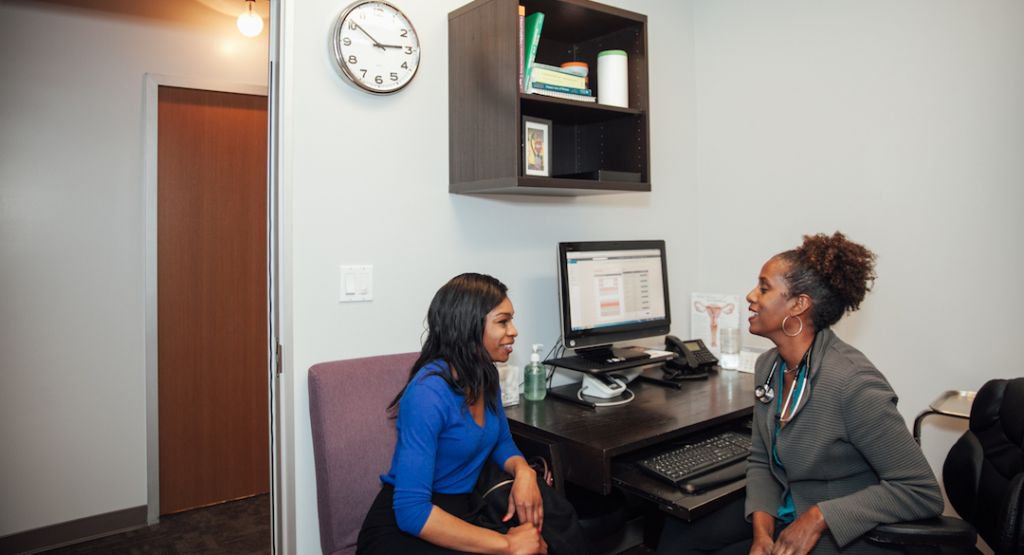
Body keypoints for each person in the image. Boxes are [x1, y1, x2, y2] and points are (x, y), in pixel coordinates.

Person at [658, 232, 943, 555]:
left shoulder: (853, 384)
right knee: (679, 534)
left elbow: (921, 491)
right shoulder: (770, 366)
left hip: (848, 521)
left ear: (799, 305)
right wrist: (761, 533)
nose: (751, 296)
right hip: (786, 503)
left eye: (764, 288)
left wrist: (819, 517)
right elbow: (763, 459)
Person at [357, 273, 584, 555]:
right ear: (468, 327)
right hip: (412, 526)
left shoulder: (484, 376)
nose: (514, 331)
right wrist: (507, 544)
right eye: (503, 321)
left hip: (463, 508)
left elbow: (501, 442)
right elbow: (412, 512)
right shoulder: (427, 394)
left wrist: (523, 471)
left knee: (554, 530)